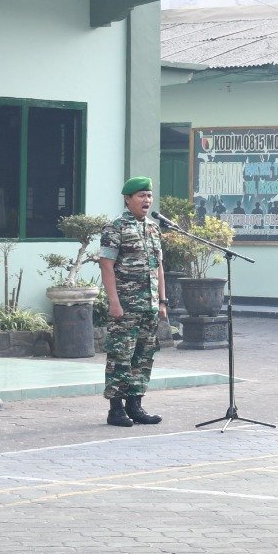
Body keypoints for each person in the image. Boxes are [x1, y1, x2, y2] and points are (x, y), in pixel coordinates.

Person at [98, 177, 168, 428]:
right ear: (127, 199)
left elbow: (159, 267)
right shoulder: (114, 228)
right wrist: (114, 302)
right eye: (141, 195)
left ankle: (135, 406)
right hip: (125, 306)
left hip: (149, 306)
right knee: (120, 356)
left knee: (143, 356)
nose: (147, 200)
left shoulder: (153, 228)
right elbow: (106, 266)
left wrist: (162, 301)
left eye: (149, 195)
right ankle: (115, 410)